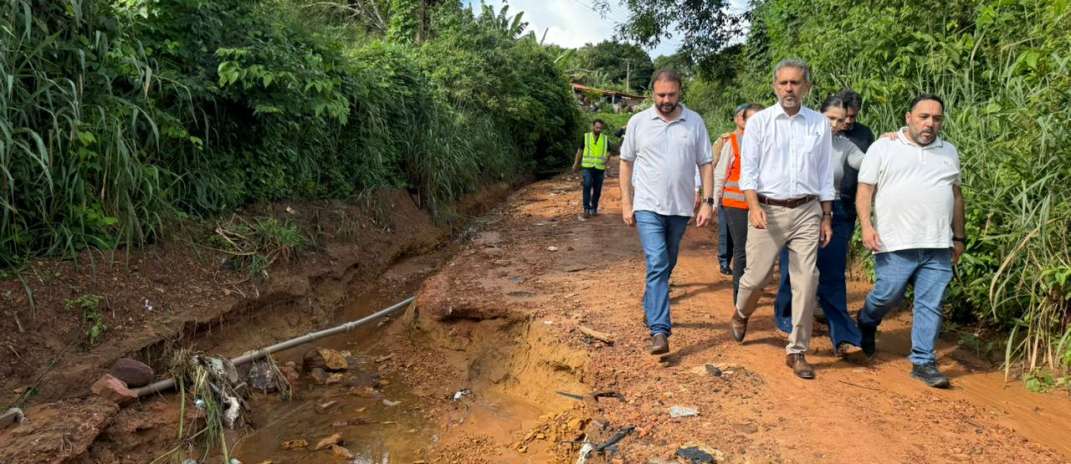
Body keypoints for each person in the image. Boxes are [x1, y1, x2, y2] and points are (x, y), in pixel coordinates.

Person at [729, 58, 834, 380]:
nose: (790, 88)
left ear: (807, 87)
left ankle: (797, 350)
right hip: (768, 209)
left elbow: (825, 173)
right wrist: (754, 205)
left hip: (806, 210)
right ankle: (741, 311)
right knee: (756, 278)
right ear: (775, 86)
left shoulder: (819, 124)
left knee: (806, 279)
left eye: (796, 83)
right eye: (784, 83)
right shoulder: (760, 124)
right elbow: (749, 172)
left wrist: (826, 216)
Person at [855, 94, 965, 389]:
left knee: (931, 303)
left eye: (937, 118)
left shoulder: (949, 151)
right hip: (895, 242)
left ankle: (923, 361)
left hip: (938, 243)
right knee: (887, 296)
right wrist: (866, 226)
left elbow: (956, 196)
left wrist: (959, 237)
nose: (930, 123)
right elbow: (865, 190)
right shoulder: (884, 146)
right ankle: (866, 319)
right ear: (908, 118)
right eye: (924, 117)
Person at [620, 69, 715, 355]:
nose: (666, 100)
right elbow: (626, 162)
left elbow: (706, 163)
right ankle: (660, 330)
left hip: (680, 207)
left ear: (680, 92)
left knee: (667, 261)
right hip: (648, 205)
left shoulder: (694, 122)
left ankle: (651, 300)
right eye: (661, 95)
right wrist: (627, 202)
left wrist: (708, 201)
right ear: (653, 94)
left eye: (671, 94)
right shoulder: (638, 122)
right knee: (659, 260)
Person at [773, 94, 865, 356]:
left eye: (841, 120)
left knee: (833, 274)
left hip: (832, 208)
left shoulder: (844, 146)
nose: (835, 125)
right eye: (830, 118)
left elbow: (866, 164)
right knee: (794, 271)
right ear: (818, 114)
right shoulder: (796, 137)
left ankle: (844, 337)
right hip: (795, 208)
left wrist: (890, 147)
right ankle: (787, 316)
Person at [712, 103, 763, 301]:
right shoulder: (732, 142)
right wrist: (713, 202)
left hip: (762, 206)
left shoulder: (771, 142)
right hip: (736, 205)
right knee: (742, 248)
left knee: (757, 250)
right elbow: (720, 174)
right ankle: (740, 296)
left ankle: (751, 287)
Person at [573, 119, 609, 218]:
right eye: (597, 127)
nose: (598, 129)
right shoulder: (586, 137)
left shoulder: (605, 139)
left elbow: (609, 152)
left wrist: (607, 158)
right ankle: (586, 209)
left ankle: (594, 208)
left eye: (600, 128)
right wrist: (576, 163)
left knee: (597, 189)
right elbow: (580, 151)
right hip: (587, 167)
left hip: (599, 168)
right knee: (587, 185)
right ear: (593, 126)